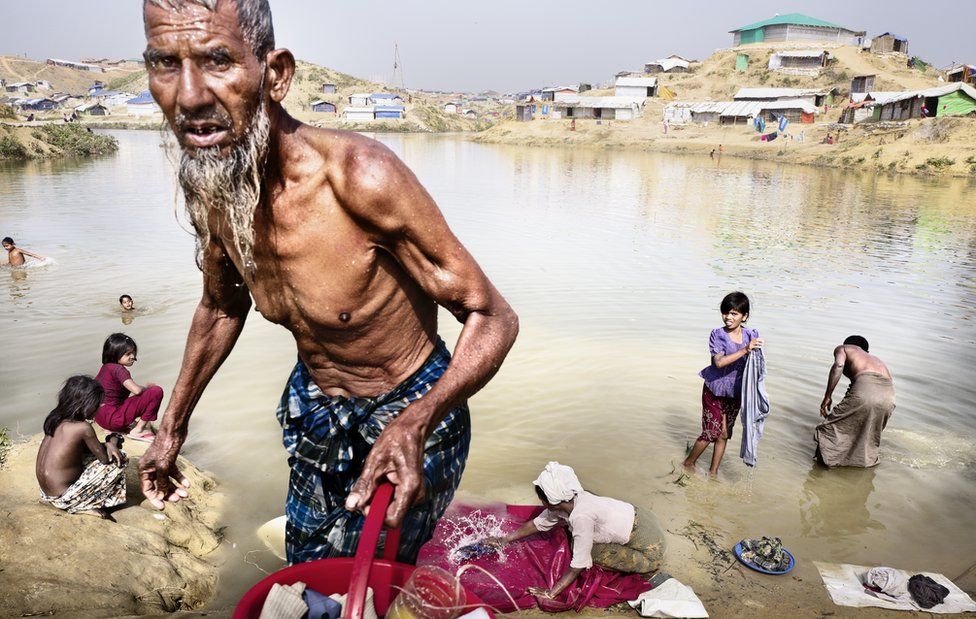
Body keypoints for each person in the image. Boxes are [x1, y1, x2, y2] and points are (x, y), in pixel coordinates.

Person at [139, 0, 518, 565]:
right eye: (165, 63)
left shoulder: (358, 178)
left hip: (410, 401)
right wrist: (171, 427)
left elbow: (493, 316)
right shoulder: (215, 182)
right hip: (314, 401)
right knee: (306, 562)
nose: (189, 96)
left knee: (376, 573)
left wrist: (417, 421)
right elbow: (220, 308)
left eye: (217, 61)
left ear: (275, 74)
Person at [487, 462, 665, 601]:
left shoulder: (581, 517)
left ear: (550, 501)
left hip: (650, 549)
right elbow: (537, 524)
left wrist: (551, 592)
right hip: (644, 518)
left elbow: (578, 564)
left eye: (541, 499)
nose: (540, 502)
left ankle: (646, 566)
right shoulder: (574, 497)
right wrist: (504, 540)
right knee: (577, 538)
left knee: (588, 551)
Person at [683, 292, 764, 475]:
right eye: (725, 312)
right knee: (710, 432)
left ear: (745, 316)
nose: (728, 317)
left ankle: (713, 473)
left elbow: (757, 363)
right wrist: (745, 349)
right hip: (715, 389)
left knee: (724, 434)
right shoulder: (718, 334)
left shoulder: (751, 335)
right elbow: (718, 363)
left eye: (734, 313)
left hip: (736, 392)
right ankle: (688, 464)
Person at [35, 375, 128, 520]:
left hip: (47, 492)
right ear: (86, 405)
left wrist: (107, 444)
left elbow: (81, 448)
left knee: (90, 454)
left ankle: (75, 500)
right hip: (64, 496)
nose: (99, 407)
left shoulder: (55, 418)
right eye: (97, 404)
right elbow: (104, 459)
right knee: (120, 459)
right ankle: (82, 504)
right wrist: (113, 442)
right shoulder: (83, 427)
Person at [816, 336, 895, 468]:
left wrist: (828, 396)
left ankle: (824, 466)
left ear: (848, 344)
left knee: (830, 427)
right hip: (889, 396)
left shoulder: (844, 348)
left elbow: (839, 365)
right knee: (867, 433)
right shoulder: (876, 360)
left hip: (867, 387)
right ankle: (859, 467)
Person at [94, 333, 164, 442]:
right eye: (128, 354)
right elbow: (136, 390)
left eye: (133, 352)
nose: (133, 357)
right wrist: (147, 389)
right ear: (115, 354)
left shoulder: (105, 368)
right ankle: (138, 431)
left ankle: (114, 428)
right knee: (156, 391)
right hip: (113, 419)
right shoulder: (119, 370)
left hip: (100, 418)